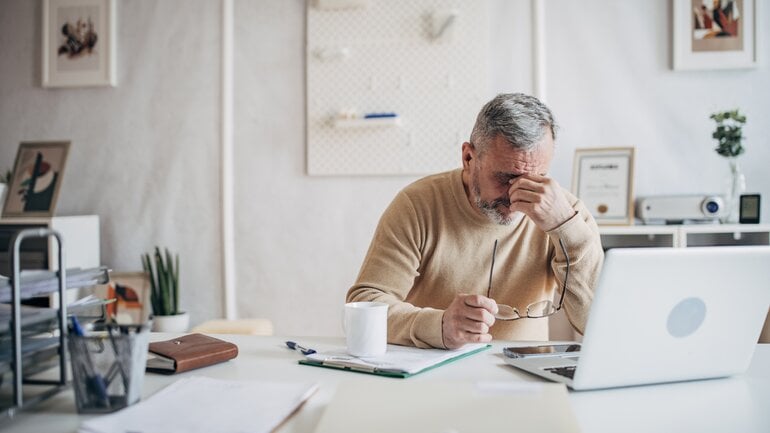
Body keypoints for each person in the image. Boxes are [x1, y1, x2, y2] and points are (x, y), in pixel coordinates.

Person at [347, 93, 604, 349]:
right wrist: (438, 326)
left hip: (526, 380)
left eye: (538, 178)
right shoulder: (418, 205)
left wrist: (565, 228)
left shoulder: (568, 213)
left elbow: (598, 325)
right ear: (469, 159)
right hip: (434, 371)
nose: (518, 196)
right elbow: (365, 304)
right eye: (506, 178)